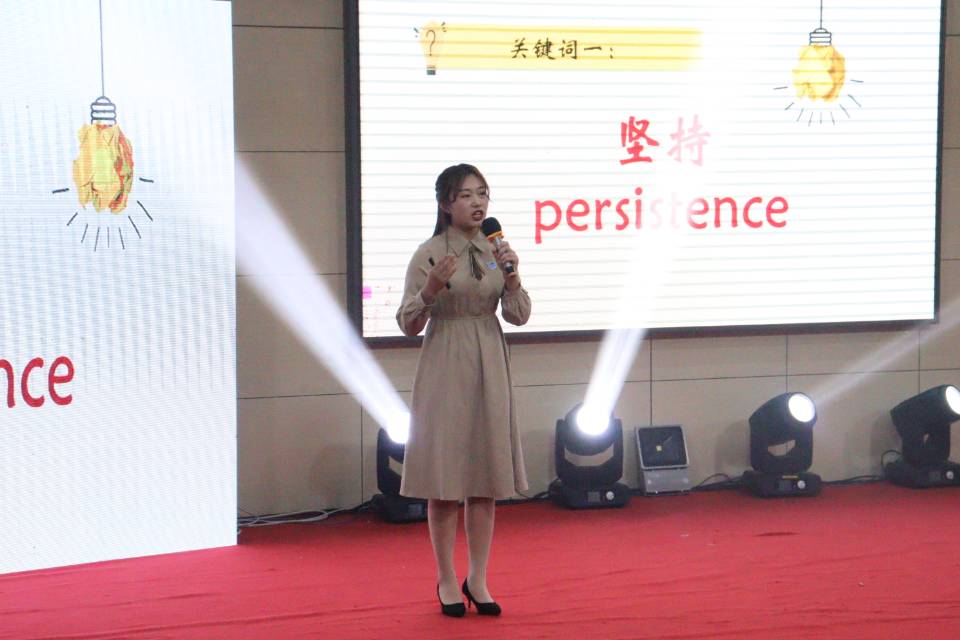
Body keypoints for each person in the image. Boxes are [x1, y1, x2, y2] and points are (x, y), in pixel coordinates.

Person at [396, 163, 531, 617]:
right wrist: (431, 289)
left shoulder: (497, 249)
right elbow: (407, 323)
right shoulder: (429, 253)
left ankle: (479, 577)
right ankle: (447, 578)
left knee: (484, 478)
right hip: (446, 359)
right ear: (445, 204)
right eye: (467, 195)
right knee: (445, 479)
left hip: (489, 355)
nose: (478, 203)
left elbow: (519, 315)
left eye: (483, 194)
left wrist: (513, 277)